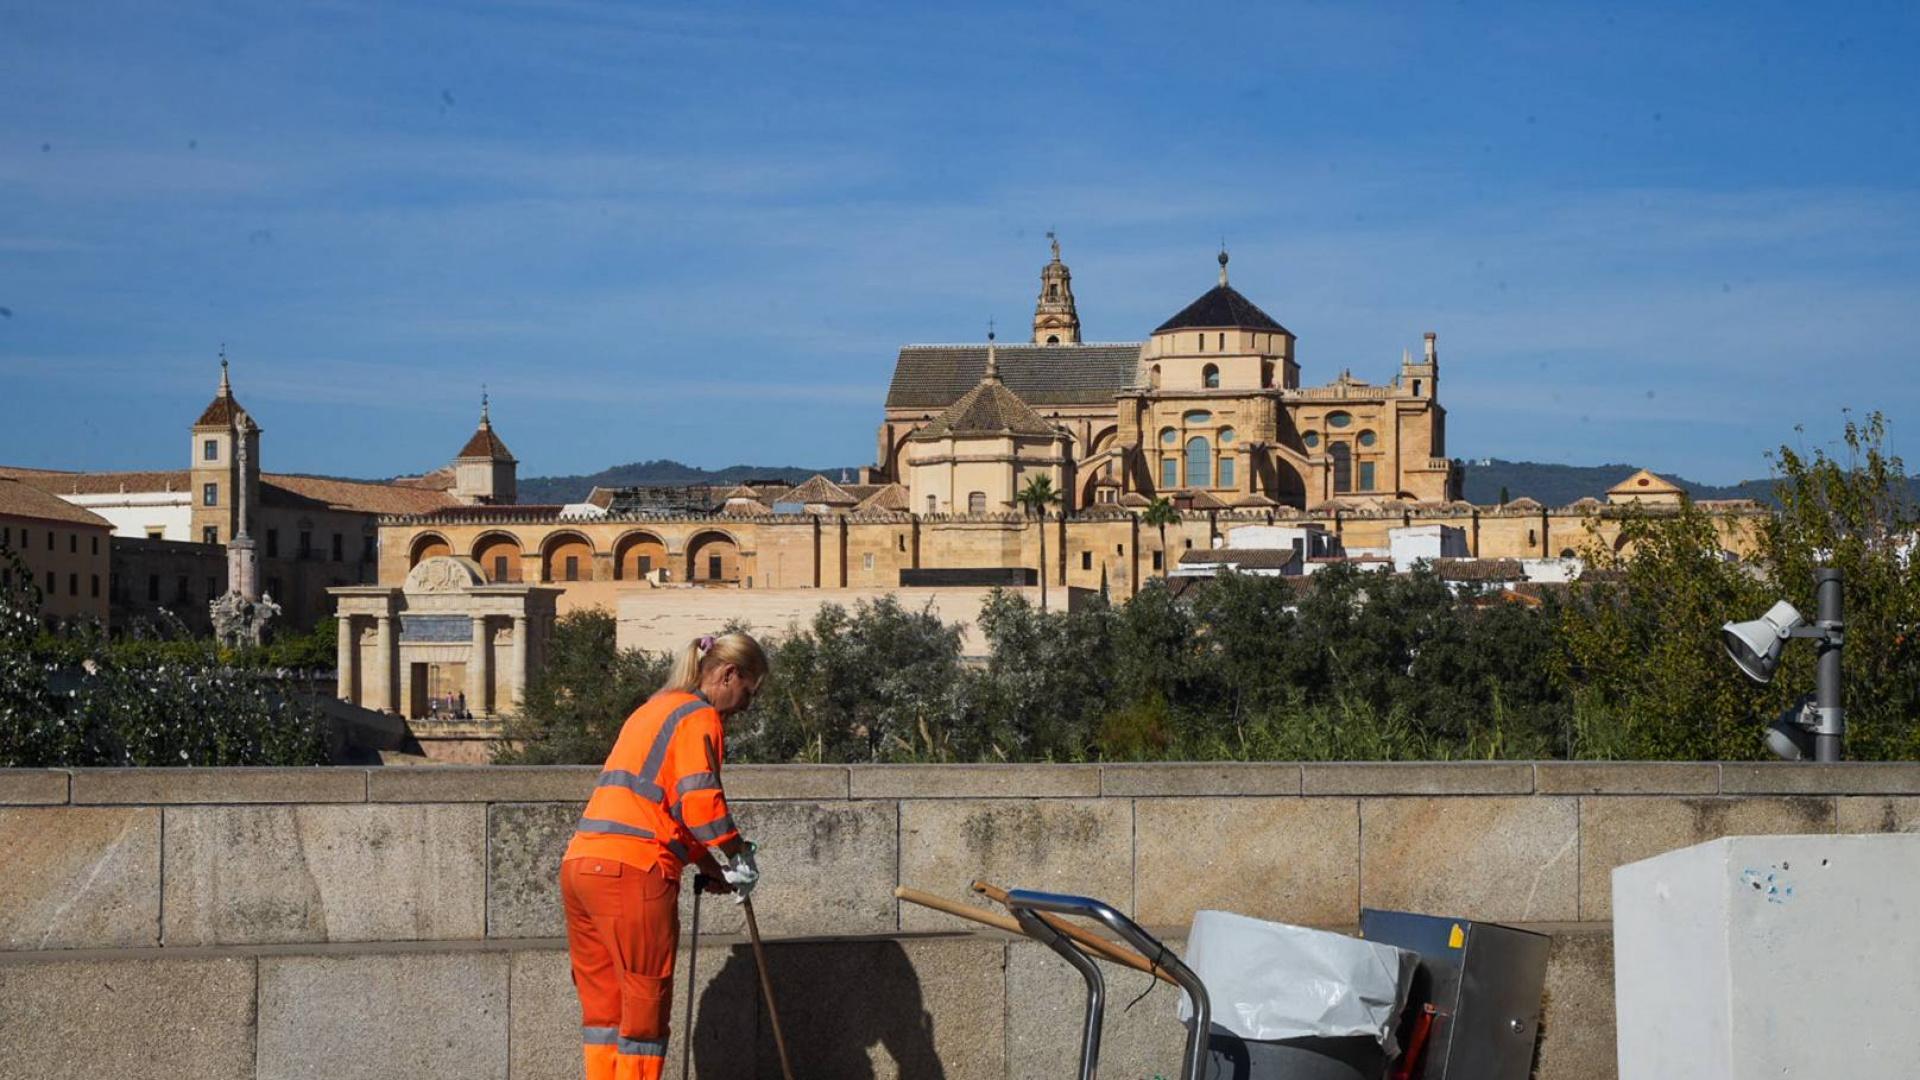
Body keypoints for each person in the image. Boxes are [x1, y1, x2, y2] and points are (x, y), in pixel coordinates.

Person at [560, 631, 767, 1080]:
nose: (745, 707)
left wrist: (710, 867)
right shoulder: (699, 716)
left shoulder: (653, 708)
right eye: (748, 693)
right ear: (728, 674)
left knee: (604, 1016)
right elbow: (699, 803)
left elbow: (661, 805)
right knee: (644, 1015)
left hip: (582, 866)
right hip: (633, 874)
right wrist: (738, 853)